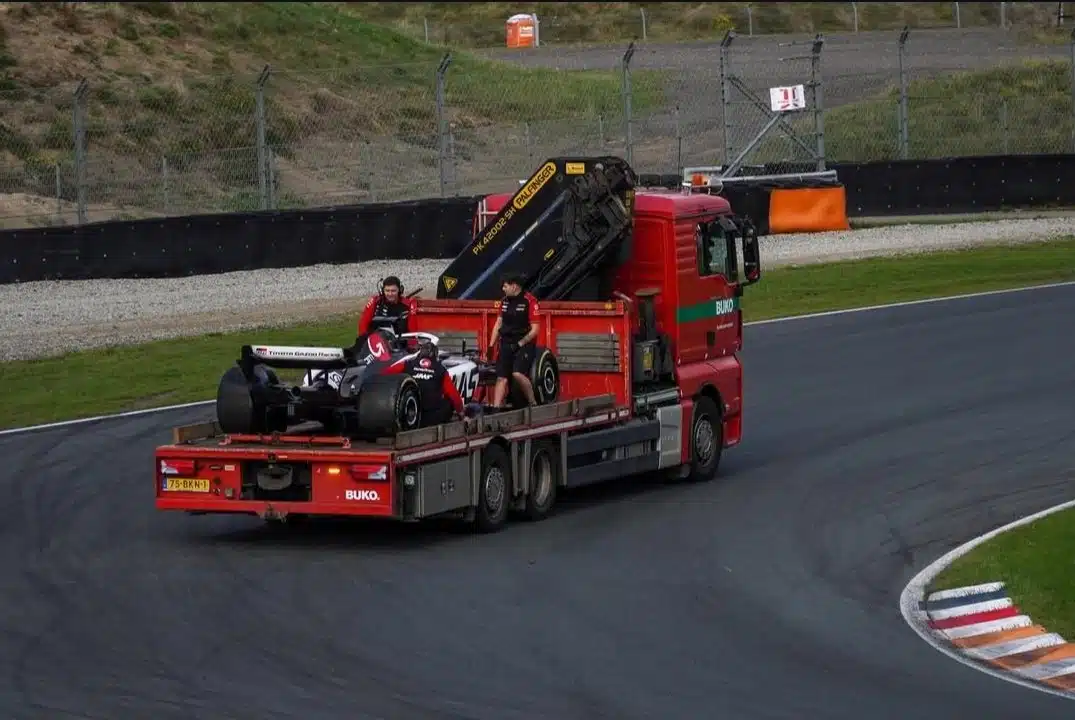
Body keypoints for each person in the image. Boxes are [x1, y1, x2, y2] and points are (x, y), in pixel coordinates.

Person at [487, 272, 540, 408]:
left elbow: (535, 330)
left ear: (514, 286)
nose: (503, 289)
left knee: (517, 374)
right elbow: (498, 324)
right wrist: (491, 345)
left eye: (505, 286)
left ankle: (533, 402)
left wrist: (520, 344)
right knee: (501, 378)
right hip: (506, 343)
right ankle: (496, 409)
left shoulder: (530, 301)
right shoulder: (504, 301)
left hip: (524, 344)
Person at [384, 339, 464, 427]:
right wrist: (461, 412)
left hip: (409, 416)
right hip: (429, 418)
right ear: (435, 355)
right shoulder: (440, 369)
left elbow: (386, 373)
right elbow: (453, 394)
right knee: (448, 403)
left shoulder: (407, 364)